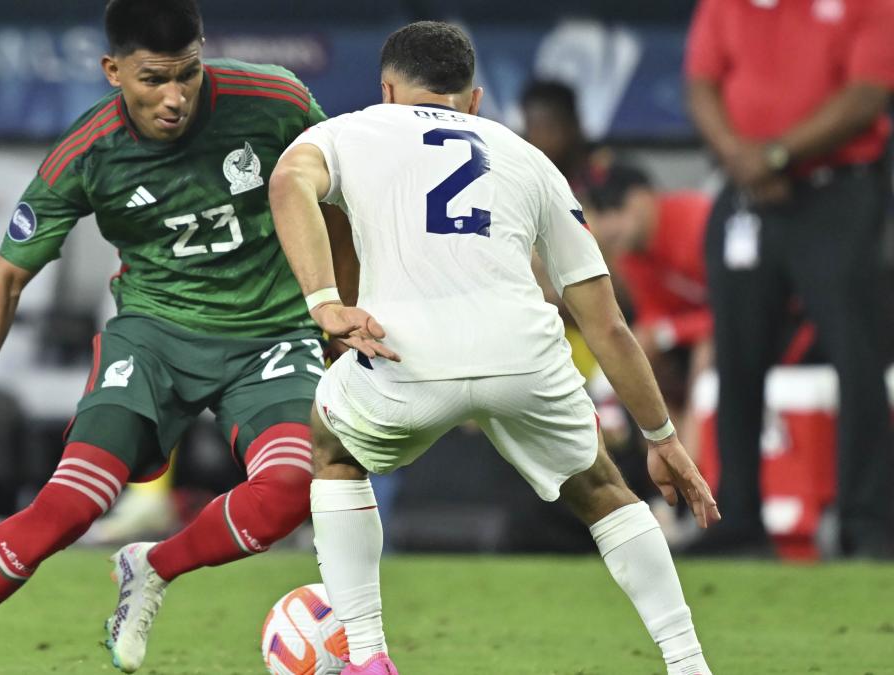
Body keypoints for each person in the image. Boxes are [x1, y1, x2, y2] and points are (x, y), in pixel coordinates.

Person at [0, 1, 341, 673]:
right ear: (112, 70)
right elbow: (4, 275)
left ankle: (154, 565)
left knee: (292, 490)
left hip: (271, 333)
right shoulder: (87, 153)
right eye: (154, 80)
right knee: (68, 505)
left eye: (188, 74)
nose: (175, 98)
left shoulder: (274, 100)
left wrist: (336, 305)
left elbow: (342, 196)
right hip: (153, 339)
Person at [270, 21, 720, 675]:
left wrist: (323, 303)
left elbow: (288, 185)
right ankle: (688, 663)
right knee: (601, 486)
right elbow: (609, 324)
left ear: (388, 88)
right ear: (475, 100)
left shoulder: (351, 130)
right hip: (523, 355)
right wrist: (662, 435)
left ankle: (367, 656)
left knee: (334, 448)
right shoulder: (528, 158)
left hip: (406, 357)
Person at [686, 0, 894, 557]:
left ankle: (867, 525)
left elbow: (866, 95)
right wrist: (741, 158)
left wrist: (776, 154)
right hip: (746, 193)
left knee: (858, 356)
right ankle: (738, 520)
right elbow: (702, 83)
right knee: (737, 358)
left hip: (836, 192)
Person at [586, 164, 714, 455]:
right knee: (635, 351)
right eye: (600, 213)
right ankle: (669, 454)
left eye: (615, 208)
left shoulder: (696, 220)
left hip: (757, 327)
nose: (606, 226)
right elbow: (652, 316)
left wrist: (669, 332)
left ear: (644, 197)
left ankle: (695, 458)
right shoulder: (630, 254)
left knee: (707, 349)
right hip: (692, 339)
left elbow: (733, 307)